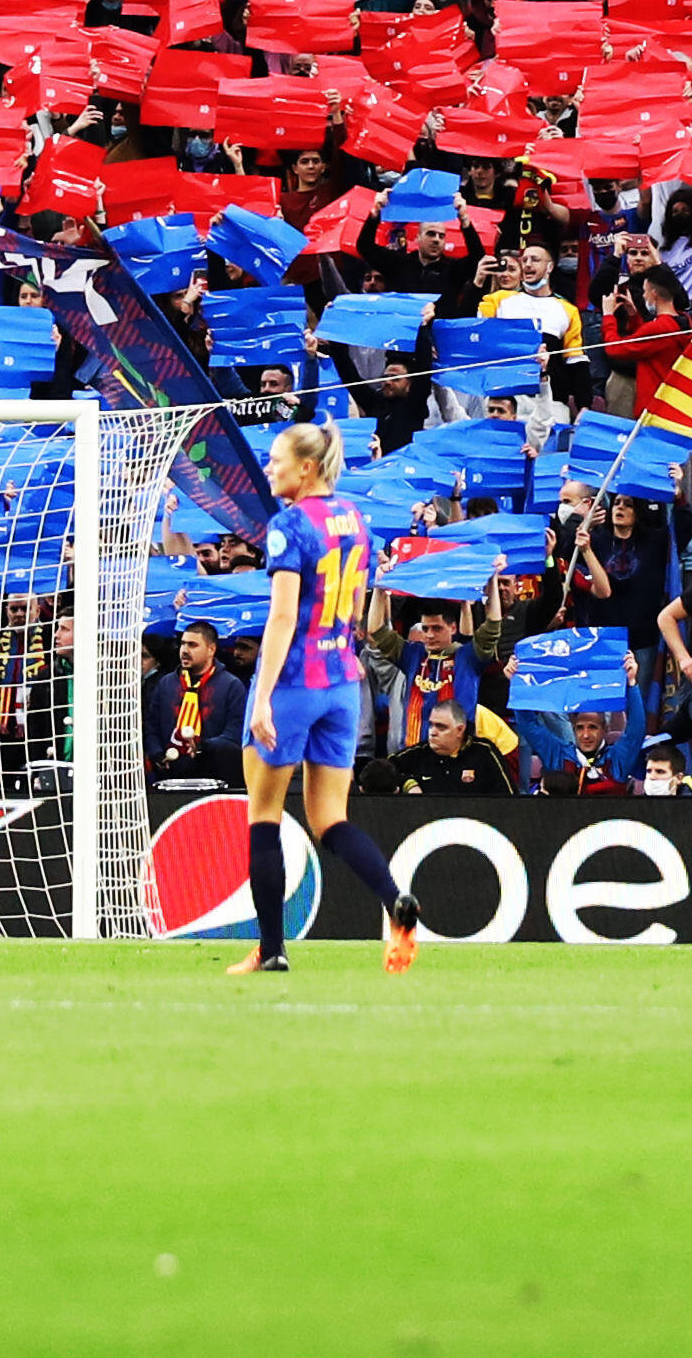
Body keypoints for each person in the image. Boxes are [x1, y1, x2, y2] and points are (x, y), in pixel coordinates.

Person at [229, 419, 415, 978]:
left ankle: (272, 949)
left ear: (306, 467)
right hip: (341, 682)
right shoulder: (356, 519)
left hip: (292, 684)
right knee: (330, 817)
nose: (269, 469)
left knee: (264, 816)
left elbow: (283, 616)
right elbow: (355, 599)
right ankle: (394, 899)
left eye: (277, 460)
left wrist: (261, 698)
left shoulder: (288, 525)